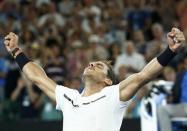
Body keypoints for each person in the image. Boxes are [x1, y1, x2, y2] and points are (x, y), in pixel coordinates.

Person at [3, 27, 185, 131]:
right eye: (91, 63)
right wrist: (16, 51)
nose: (91, 64)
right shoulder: (69, 97)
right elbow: (38, 77)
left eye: (99, 66)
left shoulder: (114, 94)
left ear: (107, 80)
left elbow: (144, 75)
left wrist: (170, 51)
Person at [157, 54, 187, 131]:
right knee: (162, 109)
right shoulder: (180, 75)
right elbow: (175, 92)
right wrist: (170, 98)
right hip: (182, 106)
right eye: (186, 62)